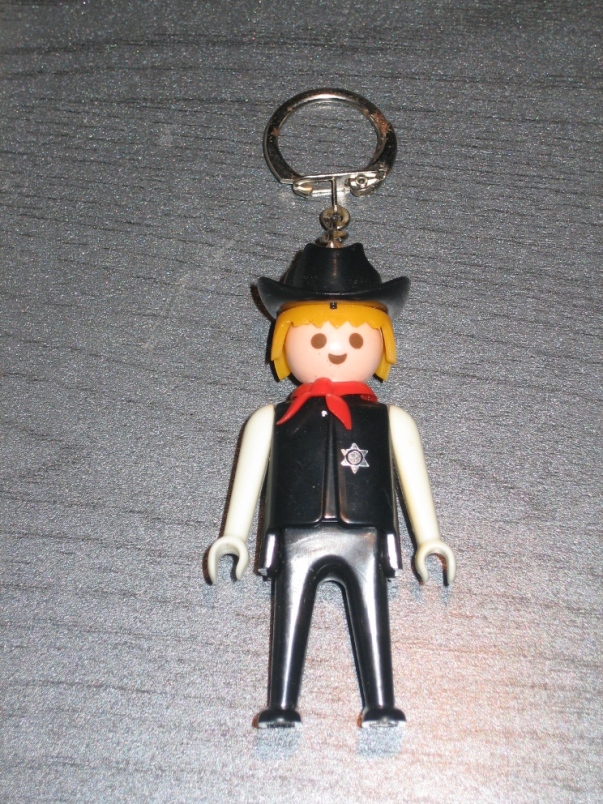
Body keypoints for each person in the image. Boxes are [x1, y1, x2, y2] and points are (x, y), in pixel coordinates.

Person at [207, 242, 455, 728]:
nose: (337, 348)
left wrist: (429, 538)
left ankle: (381, 702)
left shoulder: (389, 419)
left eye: (357, 338)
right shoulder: (272, 418)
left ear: (383, 344)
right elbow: (250, 475)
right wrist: (233, 534)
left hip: (366, 532)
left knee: (373, 615)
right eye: (317, 338)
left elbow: (412, 475)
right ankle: (282, 704)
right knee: (288, 616)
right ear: (284, 342)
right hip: (295, 529)